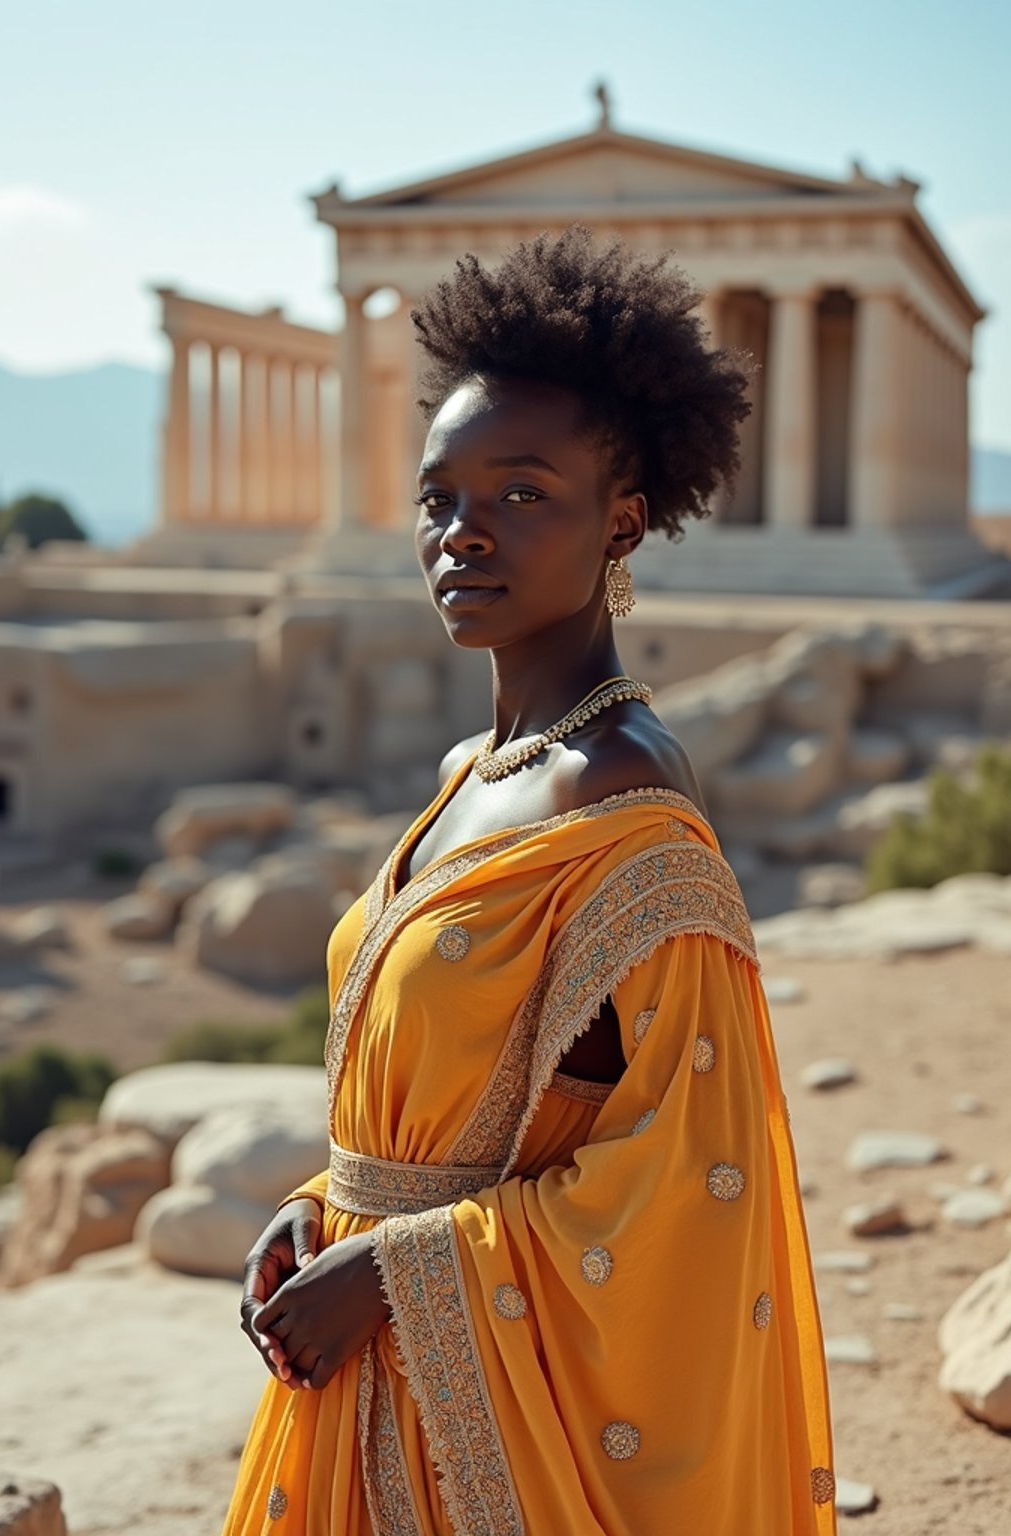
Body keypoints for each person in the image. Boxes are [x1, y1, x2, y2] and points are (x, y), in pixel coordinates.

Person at [223, 227, 836, 1535]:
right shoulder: (474, 770)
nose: (463, 534)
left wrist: (398, 1273)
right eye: (440, 497)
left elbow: (685, 1190)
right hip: (358, 1386)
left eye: (521, 494)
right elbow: (431, 1107)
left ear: (622, 517)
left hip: (493, 1433)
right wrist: (321, 1211)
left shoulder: (628, 805)